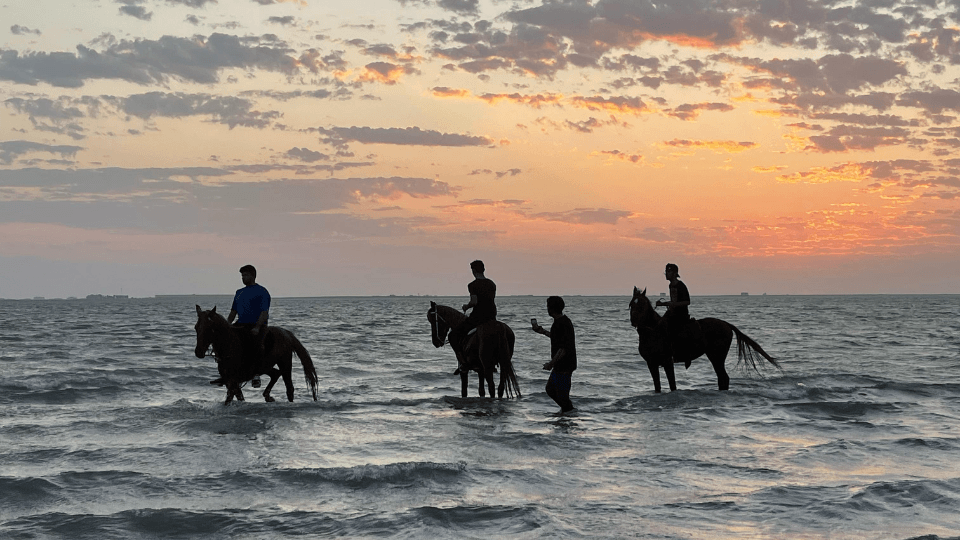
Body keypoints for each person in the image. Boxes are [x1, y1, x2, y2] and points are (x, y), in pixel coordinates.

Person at [210, 264, 271, 387]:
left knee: (255, 345)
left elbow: (264, 313)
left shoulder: (262, 292)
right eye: (242, 276)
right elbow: (233, 312)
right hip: (241, 324)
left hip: (256, 325)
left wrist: (257, 327)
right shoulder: (239, 292)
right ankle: (225, 373)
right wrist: (226, 326)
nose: (243, 278)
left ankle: (256, 374)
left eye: (246, 275)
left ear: (253, 276)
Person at [447, 260, 497, 369]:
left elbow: (474, 302)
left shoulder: (472, 285)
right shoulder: (492, 283)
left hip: (478, 317)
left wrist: (466, 306)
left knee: (453, 336)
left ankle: (463, 362)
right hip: (492, 316)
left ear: (473, 271)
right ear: (483, 269)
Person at [531, 296, 577, 414]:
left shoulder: (562, 323)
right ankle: (566, 414)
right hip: (560, 365)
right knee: (550, 389)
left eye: (548, 306)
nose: (547, 309)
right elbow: (558, 338)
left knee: (562, 395)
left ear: (551, 309)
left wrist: (551, 364)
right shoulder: (560, 322)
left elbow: (563, 349)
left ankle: (569, 414)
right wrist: (543, 332)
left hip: (565, 365)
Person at [655, 262, 691, 368]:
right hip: (672, 312)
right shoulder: (671, 285)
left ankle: (677, 353)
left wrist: (672, 304)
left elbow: (687, 302)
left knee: (672, 330)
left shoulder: (680, 285)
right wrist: (664, 304)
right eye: (666, 272)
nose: (666, 274)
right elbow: (672, 301)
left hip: (681, 314)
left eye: (668, 271)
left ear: (674, 273)